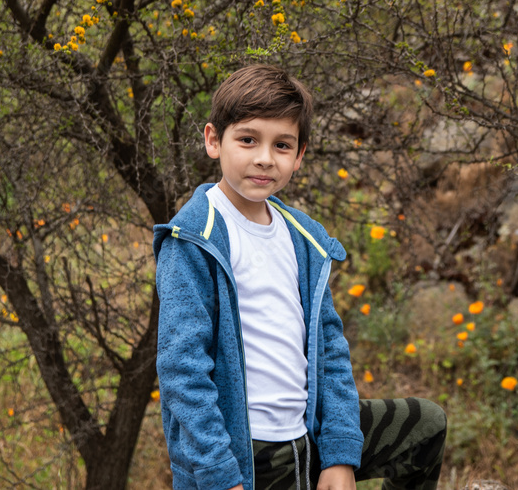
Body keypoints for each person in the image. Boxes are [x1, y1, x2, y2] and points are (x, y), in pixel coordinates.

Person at [154, 64, 447, 490]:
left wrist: (340, 454)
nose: (265, 158)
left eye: (282, 145)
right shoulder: (194, 237)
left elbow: (330, 349)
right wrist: (220, 476)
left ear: (299, 155)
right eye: (248, 139)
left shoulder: (303, 237)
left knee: (425, 426)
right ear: (214, 140)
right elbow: (182, 371)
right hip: (246, 453)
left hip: (307, 433)